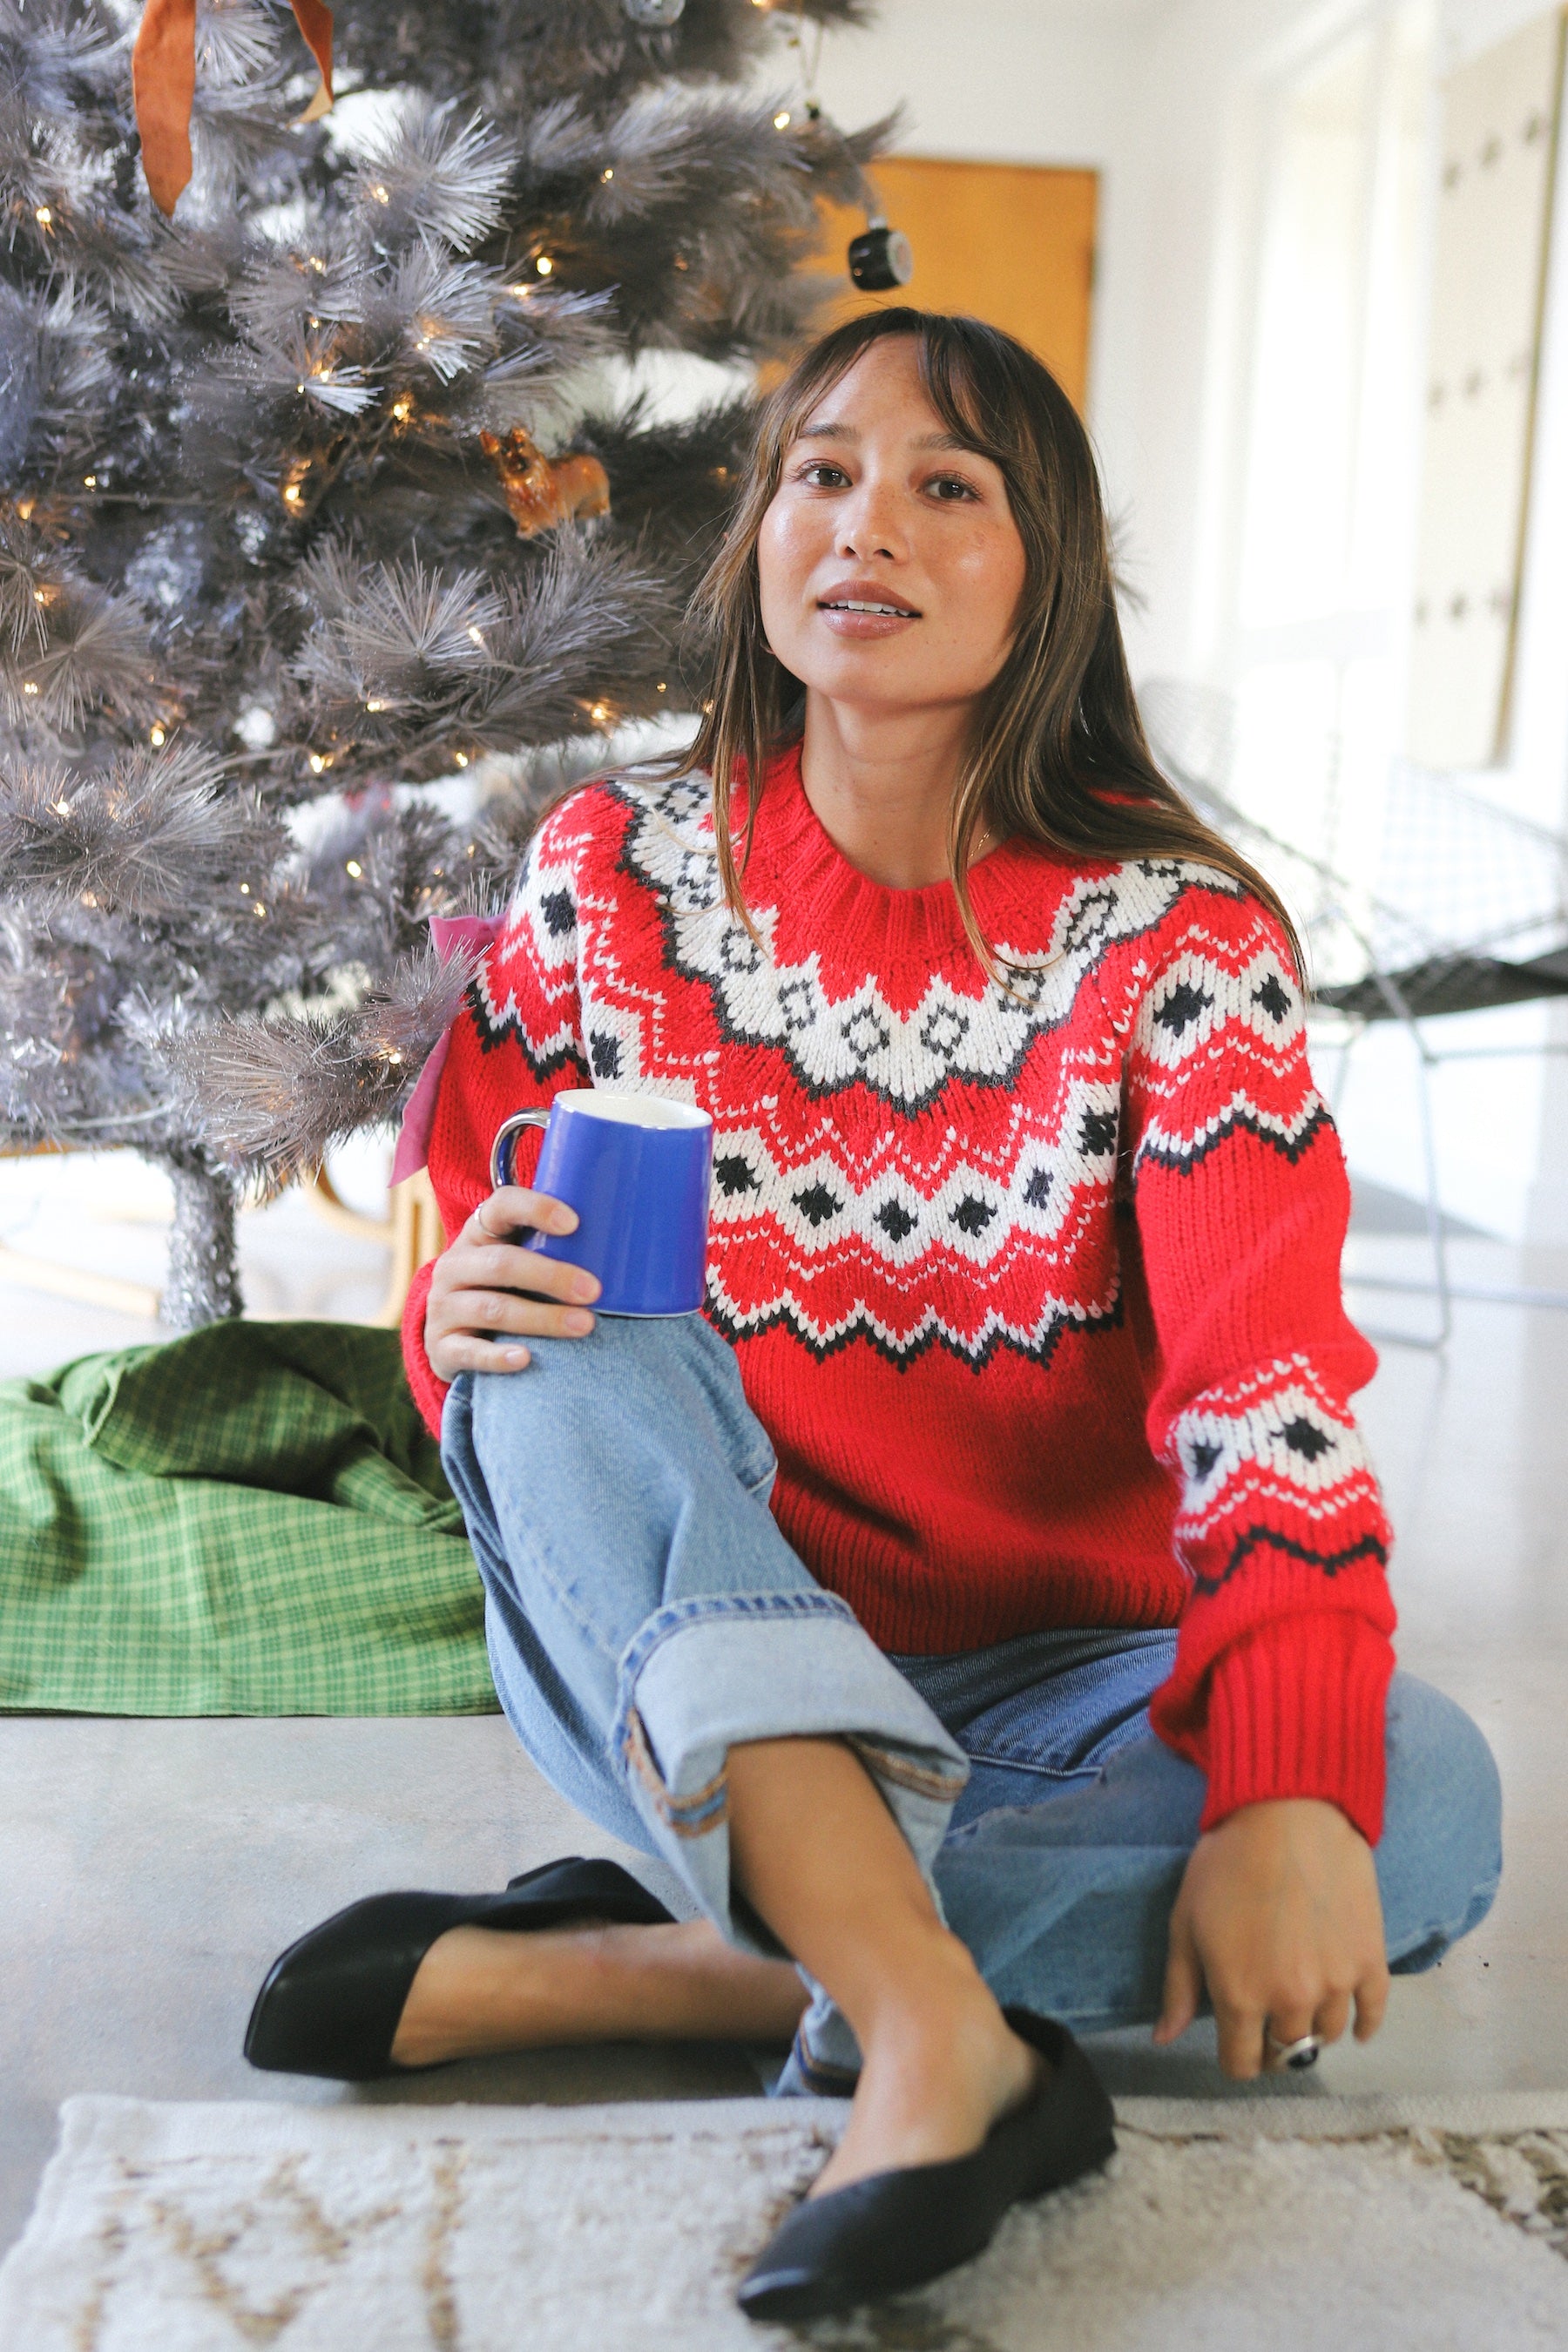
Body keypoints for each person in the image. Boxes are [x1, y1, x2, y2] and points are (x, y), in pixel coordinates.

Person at [245, 310, 1502, 2320]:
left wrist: (1276, 1783)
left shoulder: (1181, 939)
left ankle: (703, 1955)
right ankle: (934, 2036)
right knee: (558, 1349)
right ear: (760, 539)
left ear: (1048, 569)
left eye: (948, 487)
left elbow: (1265, 1380)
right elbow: (449, 1212)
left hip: (1072, 1671)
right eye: (821, 472)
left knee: (1413, 1794)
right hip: (707, 1632)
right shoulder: (615, 877)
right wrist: (446, 1296)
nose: (868, 525)